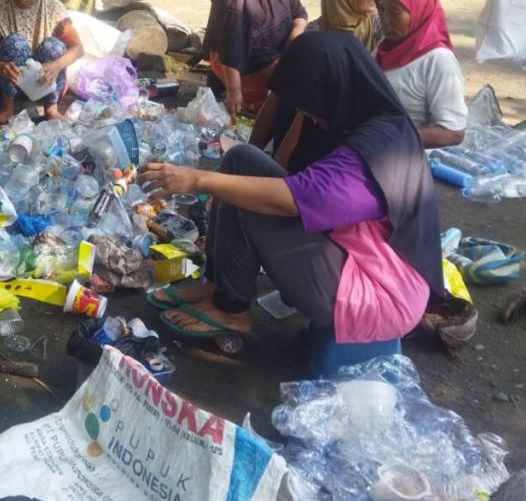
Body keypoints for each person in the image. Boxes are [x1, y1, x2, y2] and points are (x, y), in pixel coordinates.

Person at [142, 33, 444, 348]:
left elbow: (296, 199)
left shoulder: (382, 145)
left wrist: (198, 180)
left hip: (380, 293)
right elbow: (284, 165)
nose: (308, 114)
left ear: (332, 87)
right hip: (350, 251)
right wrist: (302, 114)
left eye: (309, 106)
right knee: (241, 160)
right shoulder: (348, 113)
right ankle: (219, 287)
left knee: (252, 199)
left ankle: (232, 311)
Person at [250, 0, 380, 152]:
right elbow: (279, 96)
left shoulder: (377, 25)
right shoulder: (313, 34)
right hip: (315, 116)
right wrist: (254, 148)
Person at [375, 0, 467, 147]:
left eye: (394, 13)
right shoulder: (385, 47)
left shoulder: (438, 61)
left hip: (408, 155)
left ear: (419, 11)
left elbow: (453, 132)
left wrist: (389, 137)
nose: (385, 20)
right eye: (381, 10)